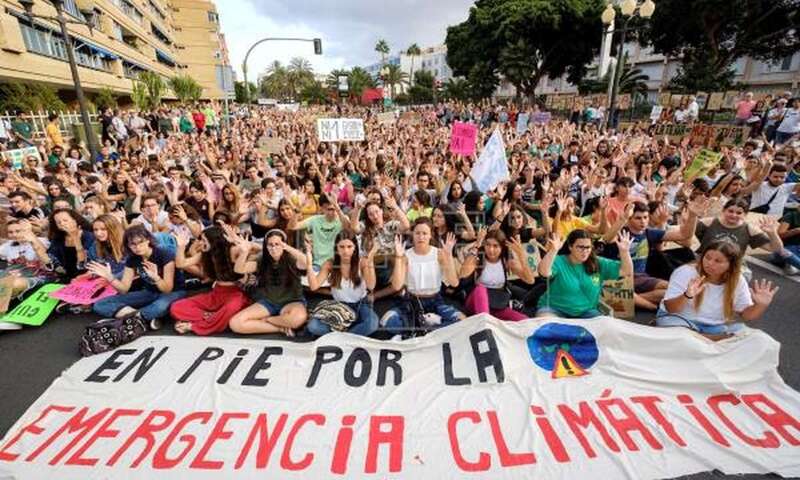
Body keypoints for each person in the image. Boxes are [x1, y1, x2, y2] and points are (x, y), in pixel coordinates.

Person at [657, 241, 779, 339]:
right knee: (682, 337)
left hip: (714, 327)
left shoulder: (738, 280)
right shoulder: (685, 272)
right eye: (707, 258)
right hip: (679, 321)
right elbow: (671, 309)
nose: (709, 263)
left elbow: (747, 316)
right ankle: (711, 340)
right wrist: (687, 295)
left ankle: (706, 339)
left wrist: (761, 305)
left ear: (731, 265)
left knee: (757, 338)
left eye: (718, 261)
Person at [90, 224, 186, 330]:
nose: (137, 247)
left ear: (148, 240)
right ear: (128, 245)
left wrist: (156, 277)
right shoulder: (133, 259)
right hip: (149, 292)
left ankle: (133, 318)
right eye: (133, 244)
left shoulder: (164, 254)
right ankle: (143, 318)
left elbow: (167, 289)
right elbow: (124, 289)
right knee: (100, 304)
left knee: (158, 307)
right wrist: (109, 277)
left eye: (140, 242)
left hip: (173, 292)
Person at [380, 218, 464, 333]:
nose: (421, 237)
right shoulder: (405, 255)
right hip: (411, 301)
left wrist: (448, 256)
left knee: (461, 320)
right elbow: (396, 285)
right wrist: (399, 258)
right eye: (417, 233)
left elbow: (454, 282)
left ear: (430, 235)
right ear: (412, 235)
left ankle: (423, 330)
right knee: (387, 321)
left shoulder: (439, 254)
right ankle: (426, 329)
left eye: (425, 233)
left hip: (435, 301)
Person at [169, 226, 250, 335]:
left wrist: (238, 242)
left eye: (203, 240)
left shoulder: (231, 250)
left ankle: (195, 325)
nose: (200, 243)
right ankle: (213, 319)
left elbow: (257, 250)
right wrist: (181, 247)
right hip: (216, 293)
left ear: (214, 240)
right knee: (176, 307)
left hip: (236, 293)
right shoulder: (204, 254)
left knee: (231, 309)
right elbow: (180, 264)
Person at [537, 229, 633, 318]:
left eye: (588, 247)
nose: (585, 251)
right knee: (545, 324)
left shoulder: (598, 262)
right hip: (554, 309)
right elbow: (544, 272)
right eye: (580, 247)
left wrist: (625, 252)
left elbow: (626, 272)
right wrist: (553, 250)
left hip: (586, 312)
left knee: (605, 328)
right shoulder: (559, 260)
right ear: (570, 247)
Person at [228, 229, 308, 335]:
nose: (274, 248)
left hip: (292, 302)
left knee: (297, 319)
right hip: (268, 302)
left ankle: (267, 321)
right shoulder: (262, 259)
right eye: (270, 245)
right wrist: (244, 251)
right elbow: (239, 269)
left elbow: (306, 263)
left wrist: (287, 247)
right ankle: (280, 328)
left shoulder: (292, 258)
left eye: (277, 244)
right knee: (235, 323)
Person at [305, 230, 380, 337]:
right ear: (336, 248)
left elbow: (371, 285)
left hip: (360, 304)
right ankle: (351, 335)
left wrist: (370, 258)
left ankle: (341, 336)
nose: (345, 251)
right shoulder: (330, 264)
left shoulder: (362, 262)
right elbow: (314, 286)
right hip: (339, 307)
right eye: (342, 247)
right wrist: (309, 264)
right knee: (313, 326)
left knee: (372, 324)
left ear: (355, 248)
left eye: (349, 247)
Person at [460, 228, 534, 321]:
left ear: (502, 247)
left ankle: (488, 320)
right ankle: (485, 324)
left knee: (525, 321)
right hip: (475, 302)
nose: (491, 250)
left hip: (496, 304)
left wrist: (521, 254)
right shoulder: (478, 259)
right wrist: (477, 246)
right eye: (488, 245)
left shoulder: (507, 262)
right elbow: (463, 274)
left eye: (495, 246)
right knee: (481, 288)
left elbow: (530, 280)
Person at [47, 208, 94, 280]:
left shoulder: (88, 236)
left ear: (75, 220)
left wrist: (75, 237)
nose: (62, 223)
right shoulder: (58, 238)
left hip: (86, 276)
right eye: (58, 222)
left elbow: (83, 265)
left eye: (65, 220)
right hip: (66, 276)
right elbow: (51, 258)